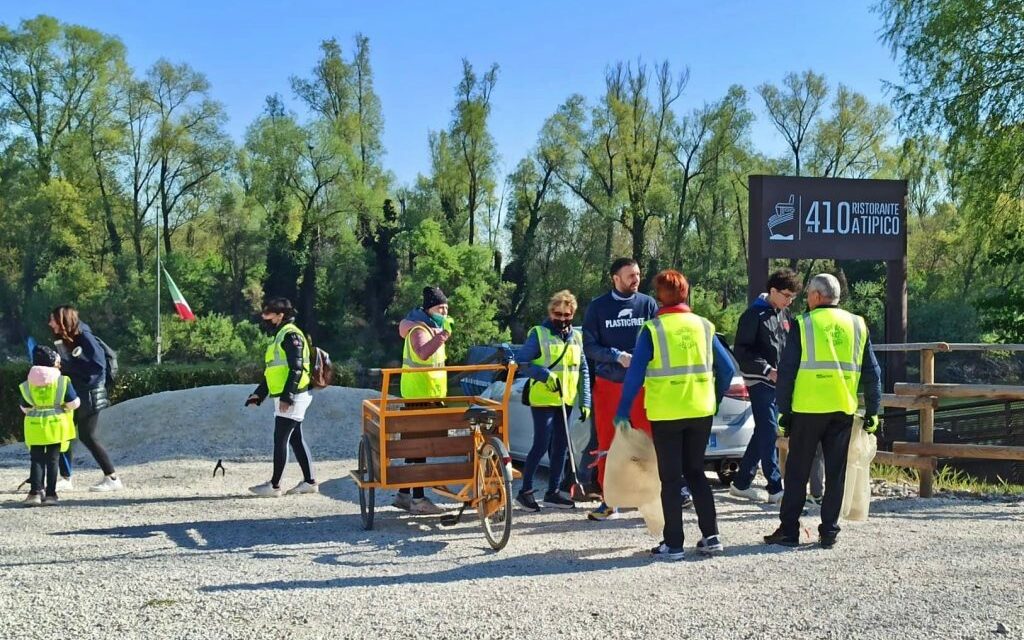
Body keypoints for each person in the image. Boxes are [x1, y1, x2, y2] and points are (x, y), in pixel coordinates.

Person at [614, 270, 735, 560]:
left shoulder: (653, 330)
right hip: (700, 411)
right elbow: (728, 369)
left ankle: (674, 545)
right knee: (696, 473)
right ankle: (712, 537)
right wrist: (714, 401)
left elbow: (635, 375)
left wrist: (622, 411)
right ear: (686, 294)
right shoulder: (704, 326)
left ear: (659, 299)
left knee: (670, 479)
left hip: (667, 413)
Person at [764, 274, 882, 549]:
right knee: (836, 473)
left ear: (817, 296)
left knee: (796, 472)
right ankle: (829, 532)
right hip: (842, 410)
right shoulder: (857, 325)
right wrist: (874, 410)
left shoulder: (803, 324)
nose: (806, 299)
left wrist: (783, 410)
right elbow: (872, 372)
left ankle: (790, 531)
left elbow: (788, 371)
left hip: (807, 410)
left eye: (807, 295)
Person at [583, 258, 691, 521]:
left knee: (653, 440)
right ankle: (609, 501)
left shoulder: (648, 304)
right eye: (630, 275)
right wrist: (616, 356)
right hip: (609, 384)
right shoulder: (598, 307)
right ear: (615, 278)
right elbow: (589, 347)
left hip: (644, 385)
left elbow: (660, 337)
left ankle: (664, 494)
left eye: (638, 274)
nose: (636, 279)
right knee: (608, 442)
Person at [514, 290, 592, 511]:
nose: (562, 318)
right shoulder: (539, 334)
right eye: (558, 314)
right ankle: (525, 492)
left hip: (565, 399)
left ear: (573, 314)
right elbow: (522, 362)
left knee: (561, 448)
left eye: (567, 315)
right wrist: (545, 375)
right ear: (551, 312)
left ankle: (553, 492)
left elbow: (583, 369)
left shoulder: (577, 337)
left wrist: (585, 401)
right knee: (541, 444)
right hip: (543, 399)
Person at [729, 268, 802, 504]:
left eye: (793, 297)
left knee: (763, 431)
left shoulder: (784, 314)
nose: (789, 300)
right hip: (759, 380)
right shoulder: (753, 315)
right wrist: (767, 370)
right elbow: (741, 351)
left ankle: (741, 483)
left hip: (779, 382)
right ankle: (775, 488)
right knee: (770, 430)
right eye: (787, 295)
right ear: (773, 291)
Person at [246, 298, 318, 497]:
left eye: (268, 313)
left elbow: (296, 369)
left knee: (281, 439)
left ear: (280, 315)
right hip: (289, 395)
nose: (264, 317)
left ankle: (275, 486)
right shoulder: (279, 336)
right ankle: (309, 482)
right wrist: (259, 395)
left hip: (294, 396)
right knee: (295, 439)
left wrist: (288, 396)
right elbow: (274, 371)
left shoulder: (290, 334)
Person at [49, 305, 122, 492]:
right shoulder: (65, 338)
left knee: (87, 436)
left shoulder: (85, 337)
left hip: (89, 394)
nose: (50, 323)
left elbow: (98, 367)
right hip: (77, 392)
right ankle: (66, 478)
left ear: (62, 320)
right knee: (64, 432)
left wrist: (68, 367)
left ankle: (112, 478)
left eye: (53, 319)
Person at [393, 286, 452, 516]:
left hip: (429, 396)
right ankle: (418, 500)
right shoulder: (420, 329)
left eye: (446, 308)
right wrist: (443, 336)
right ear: (429, 309)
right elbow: (422, 353)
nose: (445, 312)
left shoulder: (431, 327)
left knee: (414, 449)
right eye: (440, 308)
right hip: (419, 398)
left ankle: (404, 494)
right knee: (420, 449)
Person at [20, 345, 80, 506]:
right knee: (53, 460)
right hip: (56, 426)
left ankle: (35, 493)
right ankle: (51, 495)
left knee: (37, 460)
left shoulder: (28, 383)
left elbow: (24, 407)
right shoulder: (62, 381)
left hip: (34, 427)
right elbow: (73, 403)